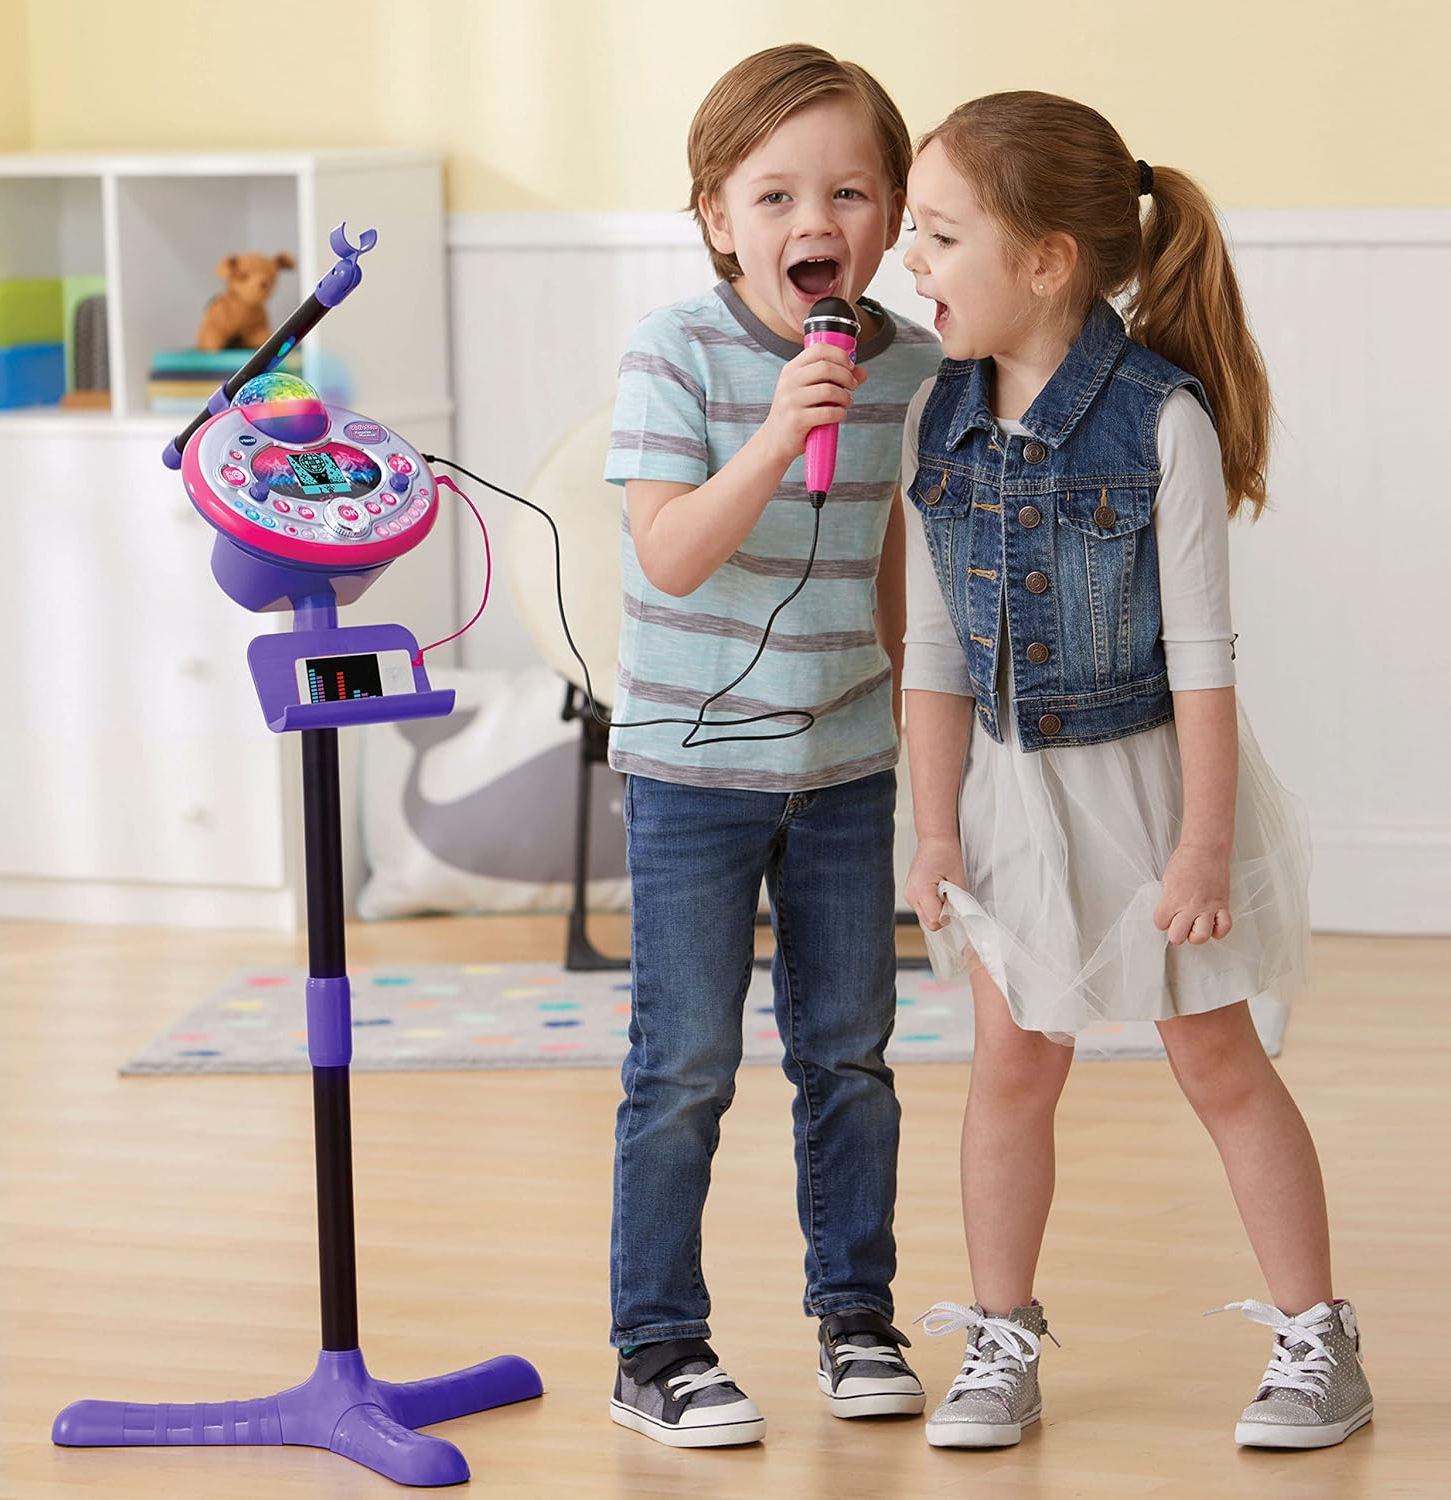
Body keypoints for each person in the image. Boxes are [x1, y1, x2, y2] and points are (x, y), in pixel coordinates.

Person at [899, 90, 1371, 1452]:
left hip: (1150, 794)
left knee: (1216, 1060)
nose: (910, 264)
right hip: (1006, 801)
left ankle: (1315, 1338)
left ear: (1046, 259)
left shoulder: (1161, 423)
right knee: (1010, 1064)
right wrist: (934, 829)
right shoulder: (937, 420)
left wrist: (1203, 850)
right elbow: (933, 647)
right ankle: (1001, 1334)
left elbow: (1205, 659)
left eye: (938, 236)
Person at [603, 43, 942, 1448]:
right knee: (684, 1061)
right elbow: (671, 554)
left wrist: (918, 743)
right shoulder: (672, 352)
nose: (818, 221)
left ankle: (856, 1315)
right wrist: (772, 435)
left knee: (850, 1056)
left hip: (847, 769)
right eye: (778, 192)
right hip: (692, 773)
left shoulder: (912, 364)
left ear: (893, 211)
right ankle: (657, 1347)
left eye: (853, 191)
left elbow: (883, 567)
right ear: (715, 214)